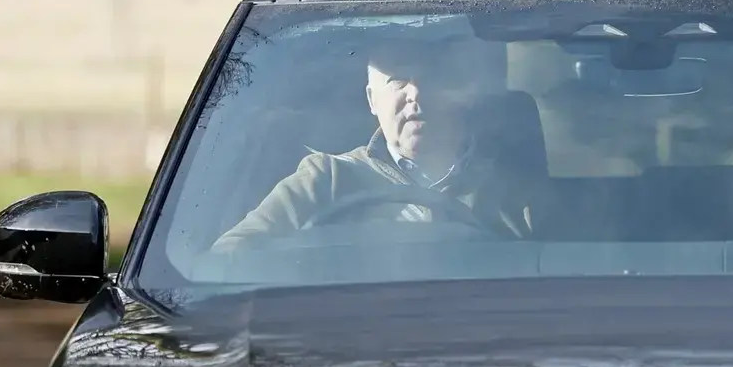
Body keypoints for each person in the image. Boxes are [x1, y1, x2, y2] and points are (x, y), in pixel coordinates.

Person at [215, 43, 538, 245]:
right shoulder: (325, 178)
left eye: (433, 79)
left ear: (460, 96)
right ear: (372, 100)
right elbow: (229, 258)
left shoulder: (511, 184)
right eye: (398, 80)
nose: (415, 94)